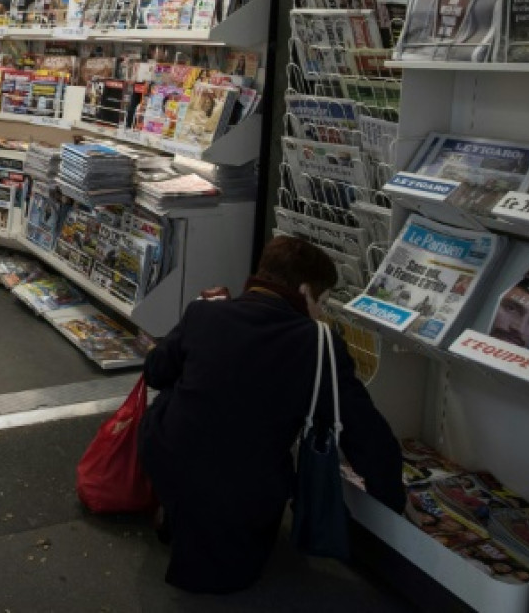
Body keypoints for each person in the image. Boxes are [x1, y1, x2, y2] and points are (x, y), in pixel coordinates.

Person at [138, 235, 406, 594]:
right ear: (304, 290)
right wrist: (394, 503)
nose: (321, 313)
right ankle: (204, 527)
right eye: (322, 302)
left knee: (187, 393)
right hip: (244, 488)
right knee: (235, 572)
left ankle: (179, 508)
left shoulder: (206, 312)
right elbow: (366, 434)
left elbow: (155, 372)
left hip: (167, 456)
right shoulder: (317, 344)